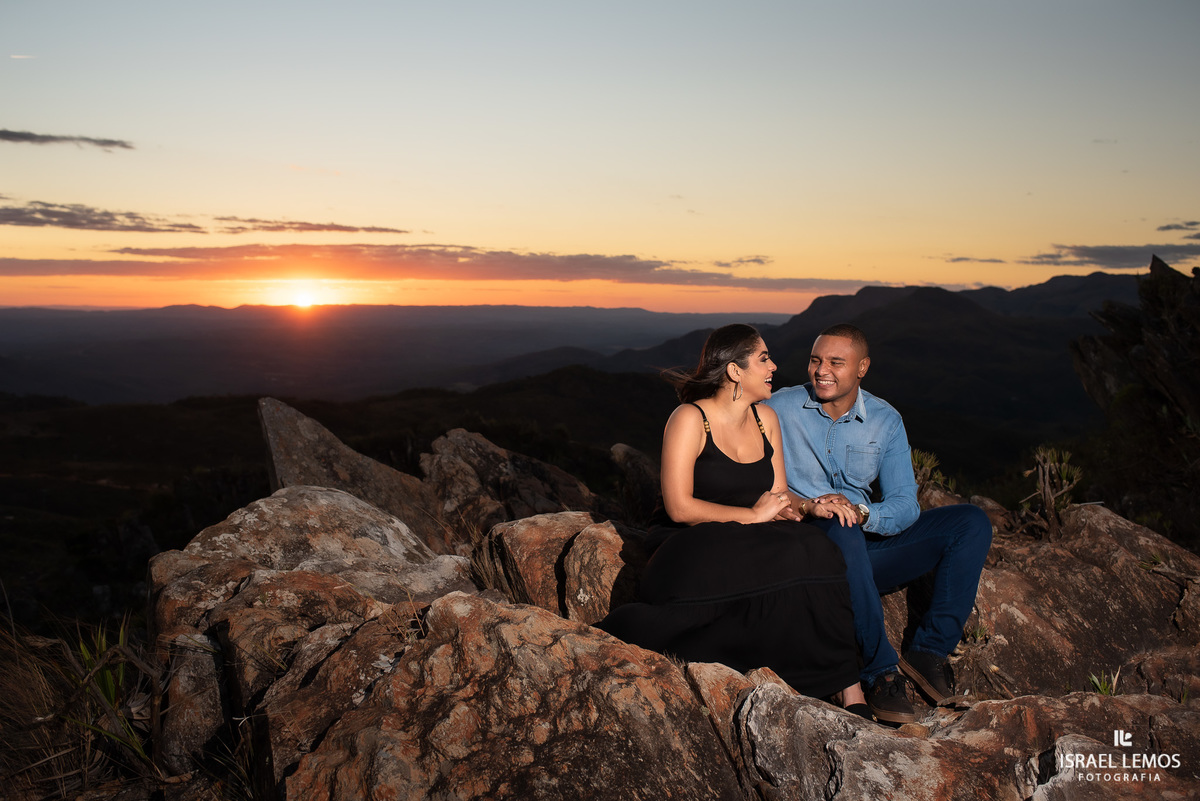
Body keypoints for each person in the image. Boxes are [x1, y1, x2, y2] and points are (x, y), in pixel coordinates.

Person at [597, 324, 869, 714]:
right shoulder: (690, 418)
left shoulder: (766, 420)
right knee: (785, 551)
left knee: (815, 545)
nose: (774, 366)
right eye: (763, 359)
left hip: (746, 539)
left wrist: (810, 507)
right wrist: (753, 516)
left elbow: (778, 498)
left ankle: (850, 690)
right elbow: (679, 507)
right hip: (688, 544)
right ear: (735, 371)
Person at [764, 323, 993, 724]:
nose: (822, 371)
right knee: (841, 526)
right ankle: (880, 672)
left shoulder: (885, 420)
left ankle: (930, 651)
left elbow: (905, 504)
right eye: (816, 360)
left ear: (862, 368)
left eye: (837, 362)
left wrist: (864, 512)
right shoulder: (778, 408)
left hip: (866, 550)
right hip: (815, 552)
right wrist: (811, 506)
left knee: (970, 522)